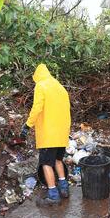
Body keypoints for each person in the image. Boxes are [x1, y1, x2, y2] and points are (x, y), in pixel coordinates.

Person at [20, 64, 71, 206]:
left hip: (49, 134)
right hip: (61, 133)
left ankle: (53, 195)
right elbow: (67, 110)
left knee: (46, 164)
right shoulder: (60, 87)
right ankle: (64, 188)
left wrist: (27, 125)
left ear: (37, 76)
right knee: (58, 160)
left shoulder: (41, 86)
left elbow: (37, 107)